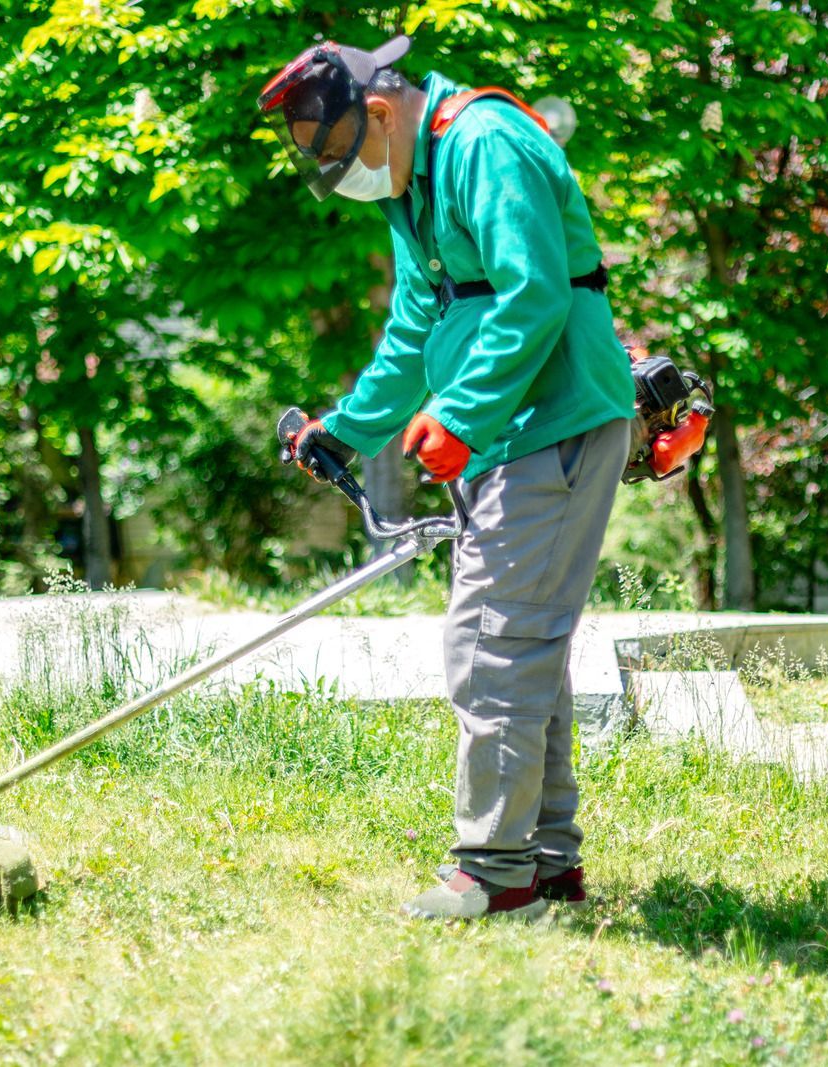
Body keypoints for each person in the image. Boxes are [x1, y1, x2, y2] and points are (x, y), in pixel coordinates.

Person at [257, 37, 635, 920]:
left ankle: (496, 875)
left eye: (345, 155)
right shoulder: (415, 182)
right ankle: (544, 864)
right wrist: (345, 430)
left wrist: (459, 412)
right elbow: (416, 325)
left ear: (381, 112)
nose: (343, 176)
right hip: (512, 433)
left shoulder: (483, 143)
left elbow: (535, 293)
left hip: (558, 422)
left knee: (494, 647)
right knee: (519, 648)